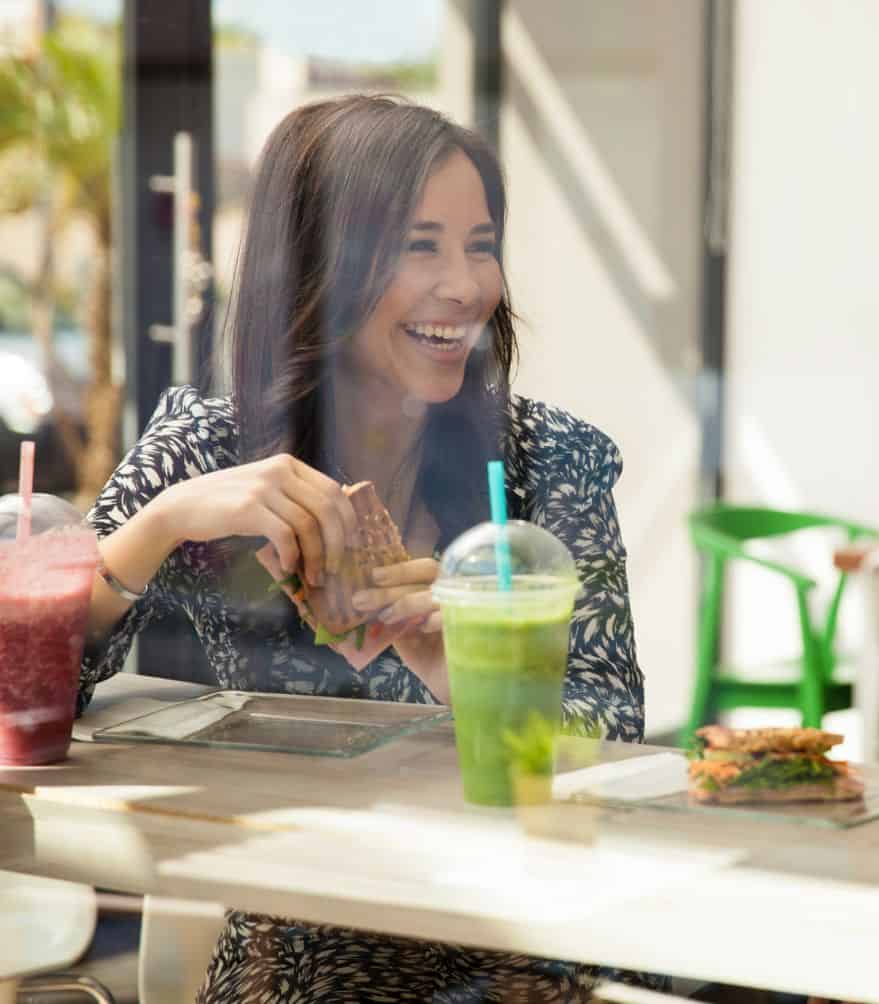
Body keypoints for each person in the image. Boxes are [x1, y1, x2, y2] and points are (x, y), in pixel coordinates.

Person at [80, 95, 662, 1001]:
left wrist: (459, 673)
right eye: (419, 245)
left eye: (480, 243)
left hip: (538, 938)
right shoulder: (207, 458)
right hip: (315, 943)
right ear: (320, 264)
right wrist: (155, 530)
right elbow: (28, 688)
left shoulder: (549, 461)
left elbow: (613, 739)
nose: (466, 285)